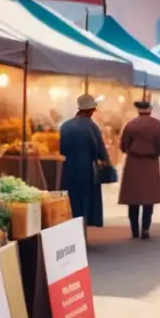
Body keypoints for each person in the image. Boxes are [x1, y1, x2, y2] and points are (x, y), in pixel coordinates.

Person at [118, 100, 160, 240]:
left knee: (133, 199)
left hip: (133, 164)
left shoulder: (130, 125)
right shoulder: (157, 125)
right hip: (150, 164)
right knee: (148, 199)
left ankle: (134, 230)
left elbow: (123, 145)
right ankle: (145, 228)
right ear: (150, 110)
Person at [59, 94, 110, 233]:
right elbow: (100, 150)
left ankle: (72, 231)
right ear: (91, 110)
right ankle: (81, 232)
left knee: (71, 200)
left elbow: (61, 148)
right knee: (85, 201)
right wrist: (106, 162)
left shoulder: (65, 126)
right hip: (87, 170)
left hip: (68, 169)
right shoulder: (92, 127)